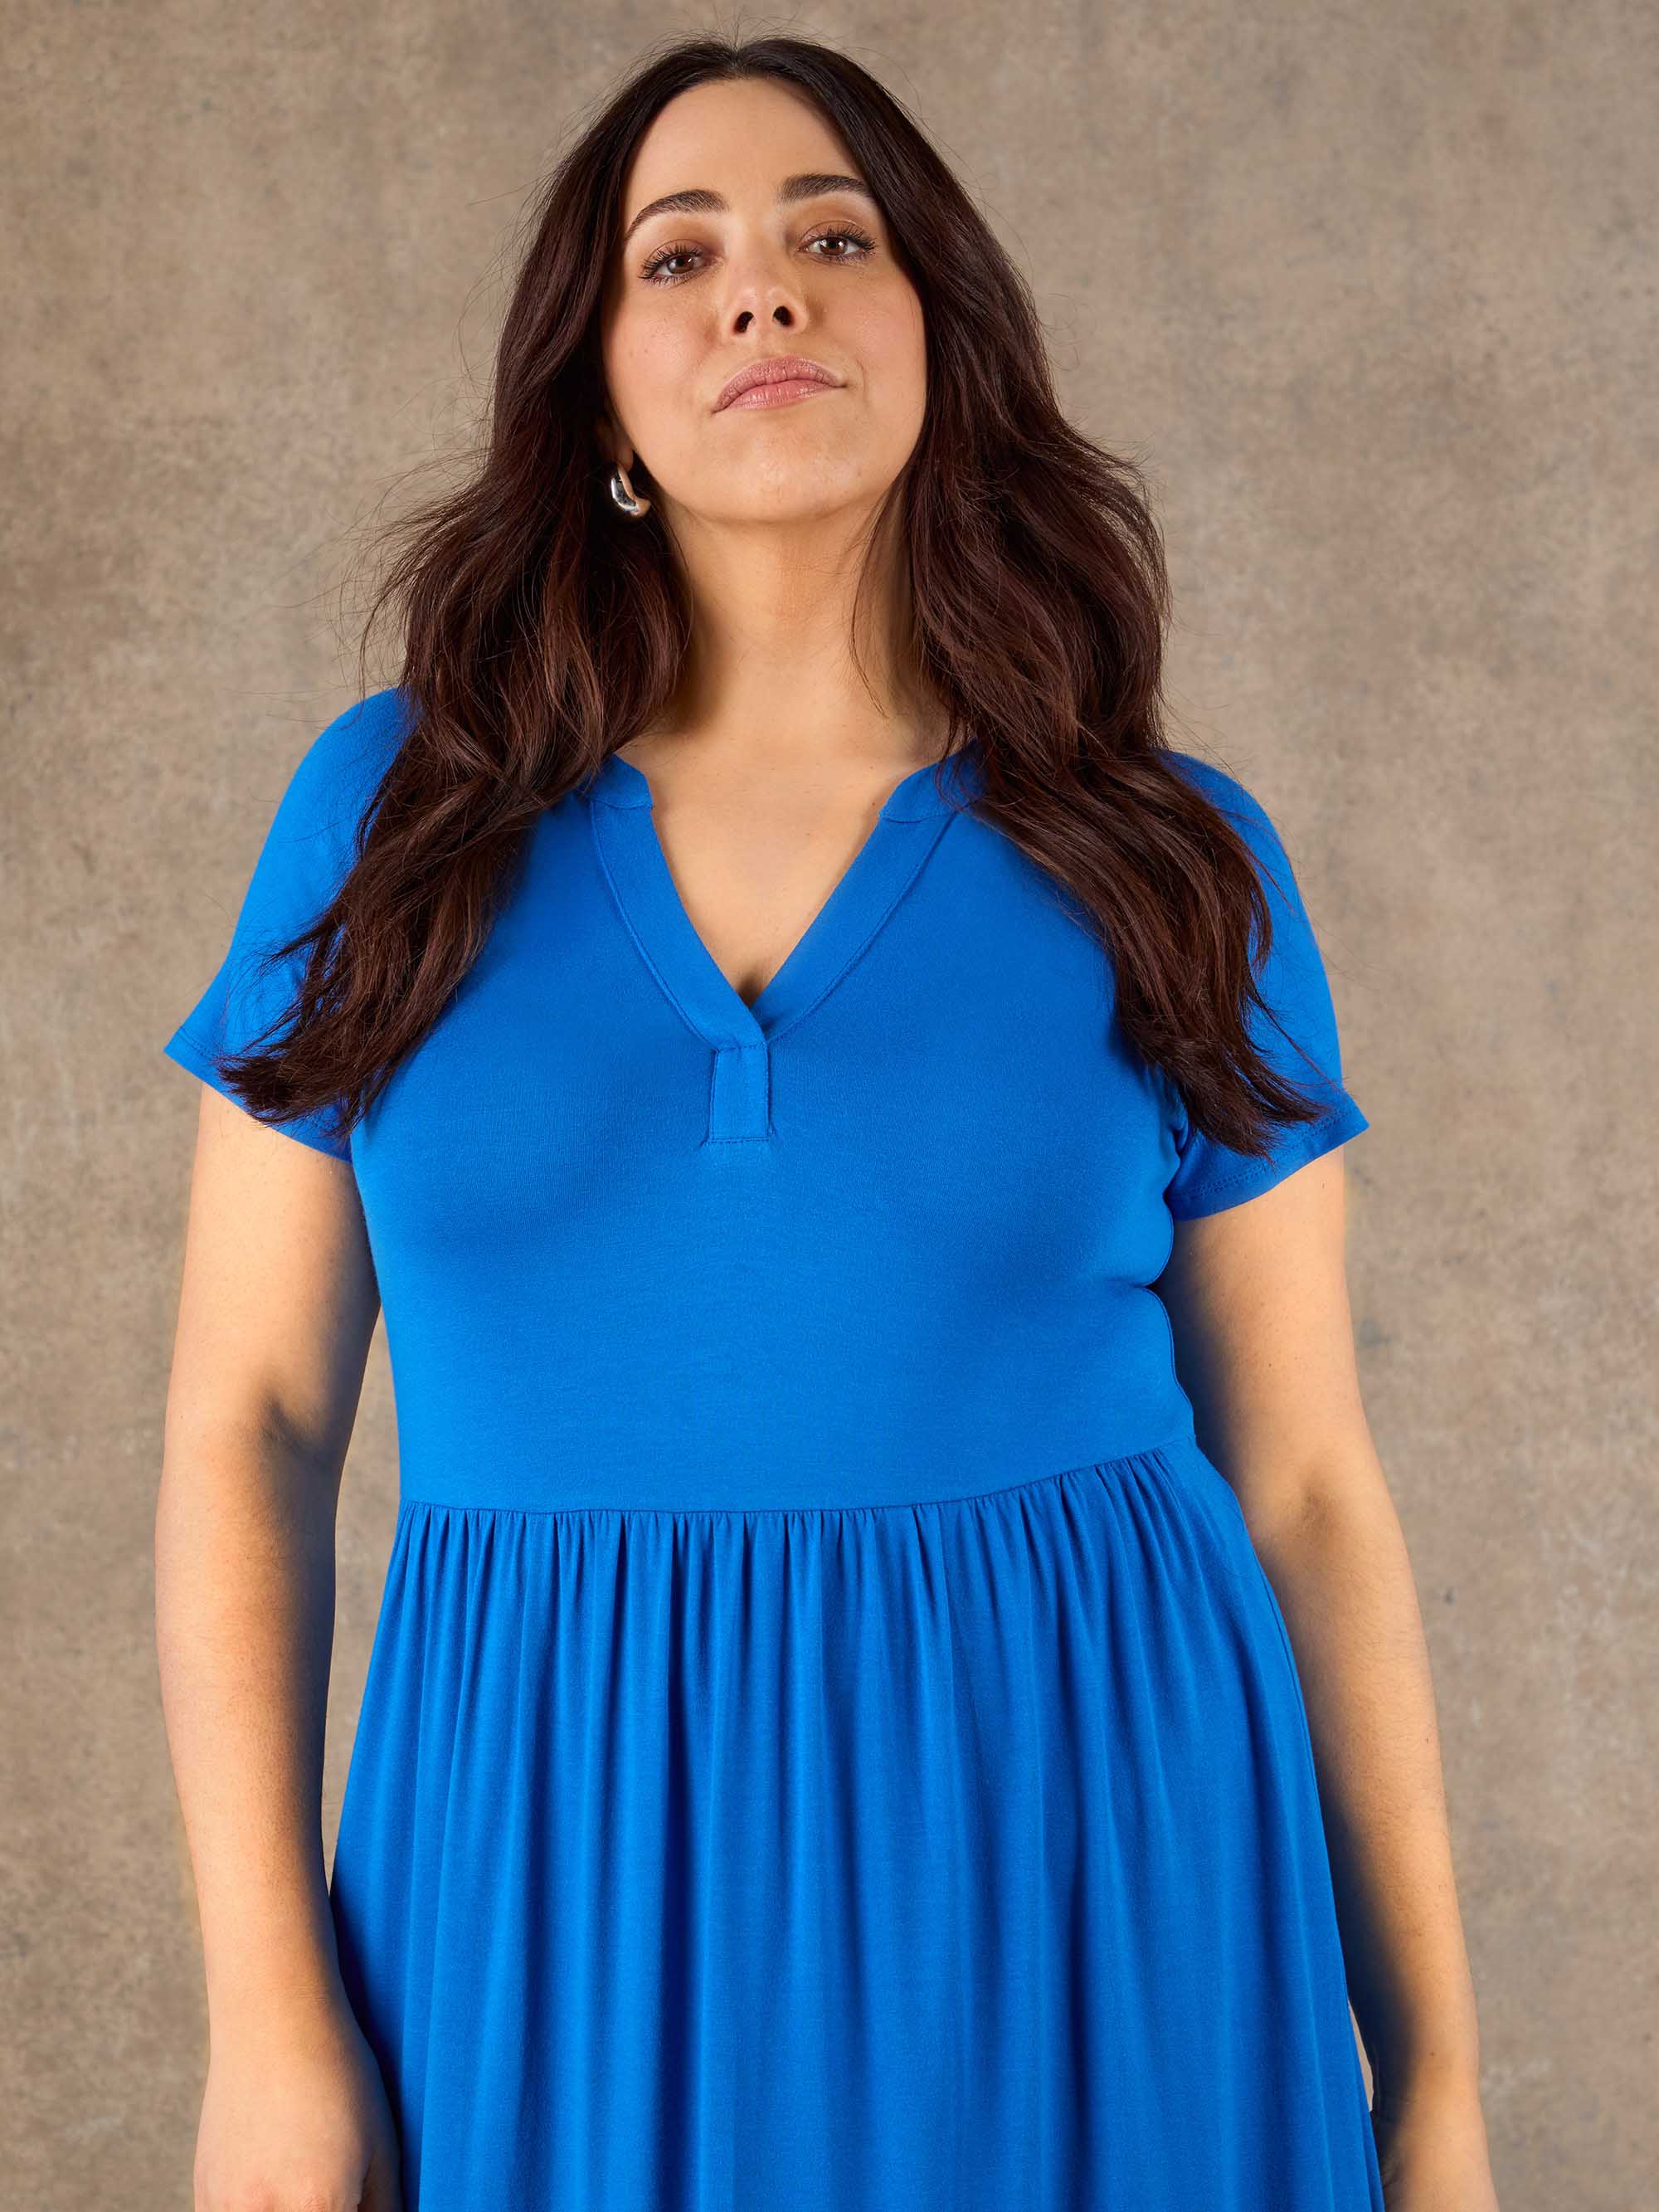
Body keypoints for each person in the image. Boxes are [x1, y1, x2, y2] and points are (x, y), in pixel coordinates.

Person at [155, 33, 1499, 2212]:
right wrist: (266, 2020)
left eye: (831, 238)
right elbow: (253, 1417)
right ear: (595, 394)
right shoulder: (392, 818)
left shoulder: (1169, 858)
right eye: (676, 256)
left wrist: (1433, 2083)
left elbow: (1316, 1486)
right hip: (544, 1884)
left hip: (1093, 1881)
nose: (759, 290)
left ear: (942, 339)